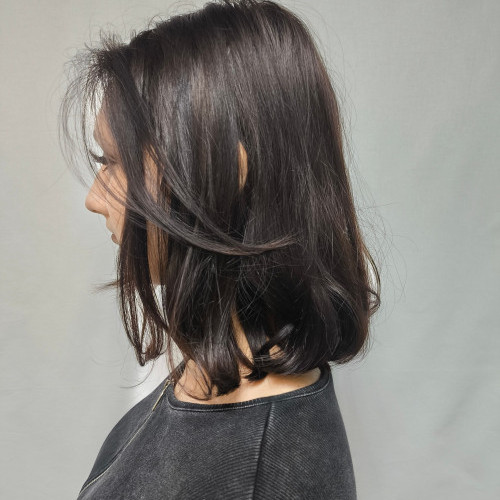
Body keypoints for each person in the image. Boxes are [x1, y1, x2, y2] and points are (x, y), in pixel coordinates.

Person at [59, 0, 380, 498]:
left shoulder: (262, 466)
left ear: (223, 174)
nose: (94, 198)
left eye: (116, 162)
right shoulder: (218, 377)